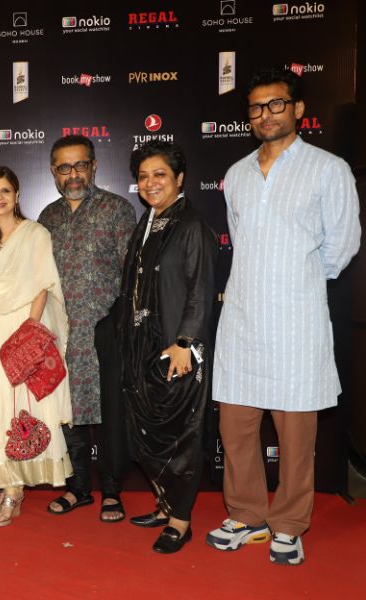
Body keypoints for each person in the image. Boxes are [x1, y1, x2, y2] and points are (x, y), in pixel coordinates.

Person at [208, 67, 360, 565]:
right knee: (236, 428)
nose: (265, 114)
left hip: (296, 319)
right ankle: (246, 514)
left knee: (296, 436)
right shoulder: (237, 174)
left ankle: (290, 524)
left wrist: (297, 280)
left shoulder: (328, 168)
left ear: (298, 109)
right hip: (242, 317)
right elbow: (242, 242)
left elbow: (342, 245)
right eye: (256, 107)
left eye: (276, 104)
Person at [0, 166, 73, 526]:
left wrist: (30, 331)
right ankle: (6, 480)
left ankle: (14, 489)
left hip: (24, 324)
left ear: (17, 195)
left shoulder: (35, 233)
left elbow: (43, 284)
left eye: (5, 191)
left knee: (21, 403)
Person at [119, 141, 217, 553]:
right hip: (145, 345)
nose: (150, 183)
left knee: (181, 436)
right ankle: (165, 504)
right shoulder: (149, 222)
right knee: (153, 431)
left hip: (177, 349)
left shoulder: (191, 224)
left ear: (179, 178)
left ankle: (180, 520)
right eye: (143, 177)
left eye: (159, 174)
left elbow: (201, 289)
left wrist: (185, 342)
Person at [38, 135, 136, 521]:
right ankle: (78, 487)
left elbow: (131, 275)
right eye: (65, 167)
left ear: (94, 165)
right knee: (67, 411)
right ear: (54, 172)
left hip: (104, 331)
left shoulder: (117, 209)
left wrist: (121, 327)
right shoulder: (47, 217)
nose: (73, 174)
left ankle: (112, 490)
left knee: (110, 413)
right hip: (60, 333)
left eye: (80, 165)